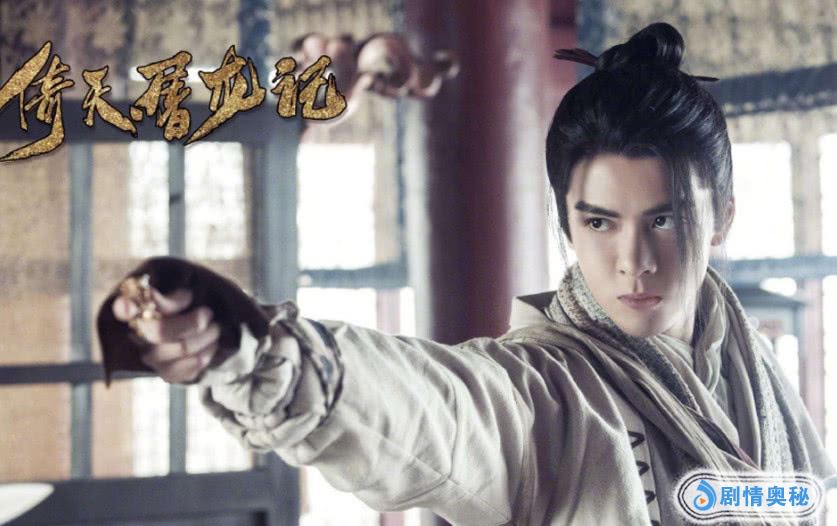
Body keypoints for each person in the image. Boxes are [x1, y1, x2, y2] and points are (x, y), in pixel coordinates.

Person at [100, 22, 835, 525]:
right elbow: (438, 408)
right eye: (599, 222)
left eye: (665, 220)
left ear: (723, 216)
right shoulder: (542, 394)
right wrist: (261, 354)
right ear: (566, 223)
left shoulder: (748, 363)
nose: (633, 260)